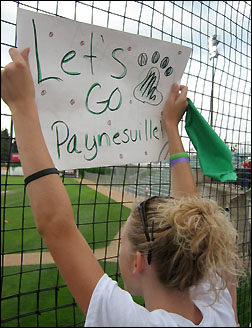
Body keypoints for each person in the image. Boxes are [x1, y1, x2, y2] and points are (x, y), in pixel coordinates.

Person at [1, 48, 244, 327]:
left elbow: (57, 226)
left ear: (139, 262)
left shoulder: (139, 321)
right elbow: (56, 226)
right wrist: (170, 127)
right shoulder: (218, 306)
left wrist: (20, 105)